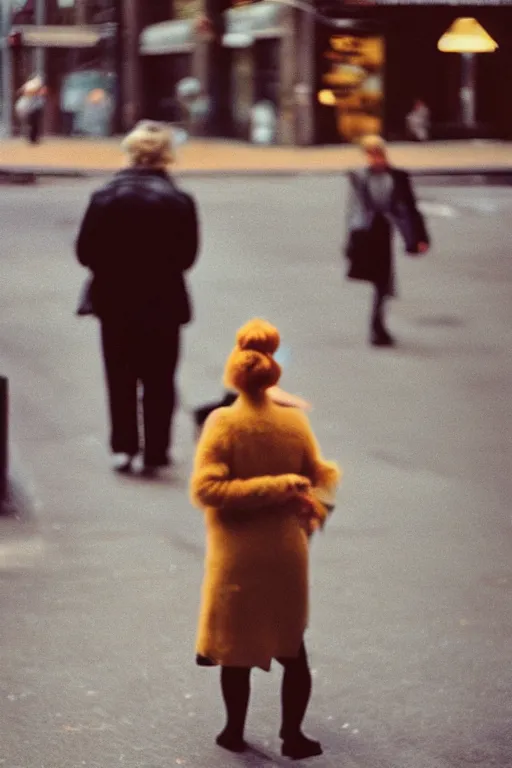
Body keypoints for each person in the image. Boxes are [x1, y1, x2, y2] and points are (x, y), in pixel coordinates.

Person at [190, 318, 340, 759]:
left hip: (238, 554)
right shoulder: (294, 423)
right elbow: (316, 478)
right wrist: (296, 496)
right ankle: (293, 735)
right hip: (286, 550)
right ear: (273, 367)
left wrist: (267, 486)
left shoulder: (222, 422)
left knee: (235, 650)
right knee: (292, 645)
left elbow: (207, 490)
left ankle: (233, 731)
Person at [75, 121, 199, 475]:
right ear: (167, 156)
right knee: (160, 377)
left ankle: (124, 447)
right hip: (164, 302)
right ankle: (156, 450)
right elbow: (187, 256)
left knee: (120, 375)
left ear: (130, 152)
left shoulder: (104, 198)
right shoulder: (179, 201)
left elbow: (86, 253)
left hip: (114, 301)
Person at [344, 134, 430, 347]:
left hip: (385, 232)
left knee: (383, 282)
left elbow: (410, 209)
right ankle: (377, 327)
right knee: (379, 281)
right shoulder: (360, 178)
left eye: (378, 154)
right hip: (367, 233)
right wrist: (351, 241)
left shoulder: (399, 177)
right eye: (371, 155)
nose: (375, 159)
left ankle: (377, 327)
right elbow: (354, 211)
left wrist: (420, 238)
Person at [15, 75, 47, 144]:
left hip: (33, 108)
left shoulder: (39, 90)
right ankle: (30, 137)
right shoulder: (29, 87)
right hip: (27, 108)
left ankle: (33, 138)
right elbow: (20, 92)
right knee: (31, 124)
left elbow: (44, 92)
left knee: (34, 124)